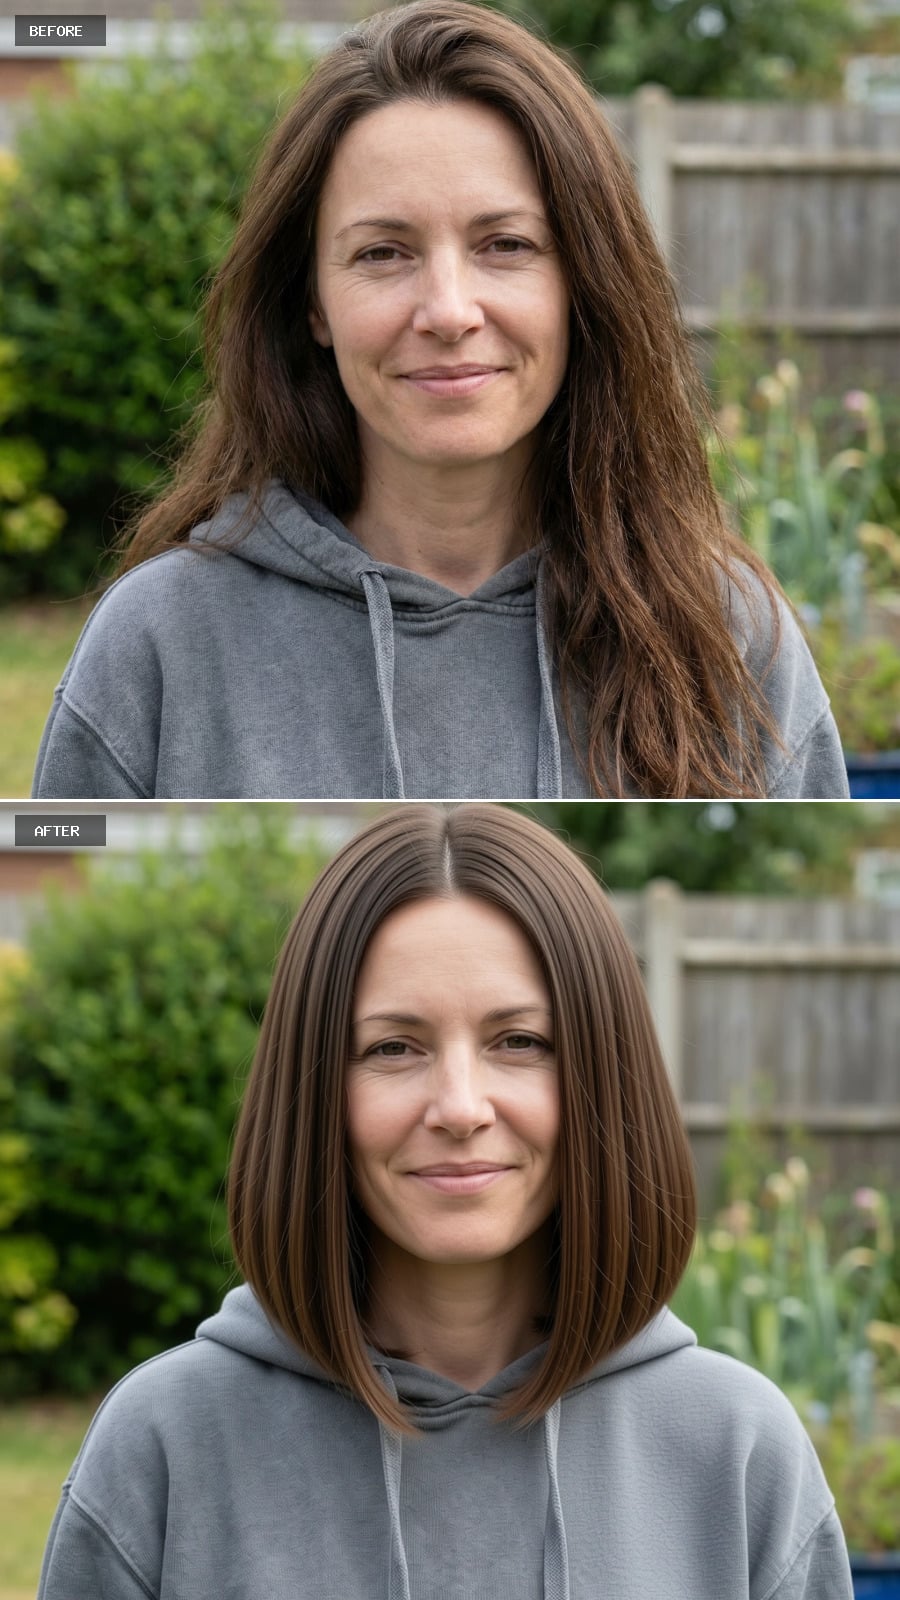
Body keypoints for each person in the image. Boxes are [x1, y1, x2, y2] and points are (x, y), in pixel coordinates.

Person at [32, 1, 847, 801]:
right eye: (384, 252)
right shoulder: (160, 643)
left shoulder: (730, 636)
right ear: (312, 301)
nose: (450, 311)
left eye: (507, 245)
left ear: (583, 285)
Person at [39, 803, 853, 1599]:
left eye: (520, 1042)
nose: (460, 1107)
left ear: (603, 1077)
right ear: (315, 1089)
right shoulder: (165, 1446)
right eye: (394, 1047)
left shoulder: (739, 1452)